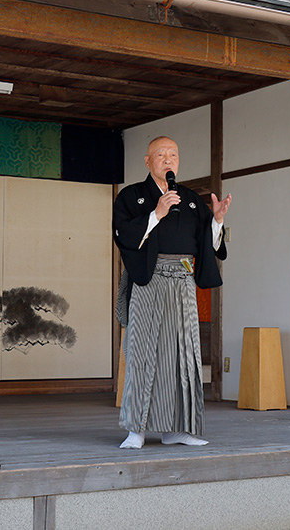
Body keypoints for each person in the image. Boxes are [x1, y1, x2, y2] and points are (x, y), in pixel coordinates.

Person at [113, 136, 230, 449]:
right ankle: (135, 430)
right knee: (141, 352)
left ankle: (177, 429)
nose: (168, 160)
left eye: (173, 155)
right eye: (161, 154)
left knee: (183, 354)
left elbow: (209, 244)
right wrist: (156, 214)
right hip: (148, 279)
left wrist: (216, 222)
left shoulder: (191, 199)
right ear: (148, 160)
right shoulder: (132, 196)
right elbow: (123, 235)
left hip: (182, 280)